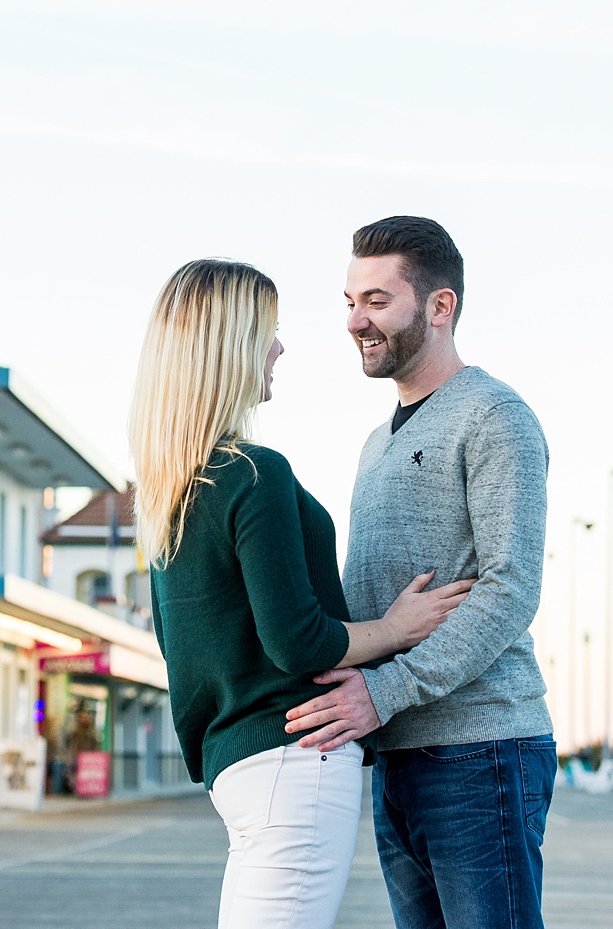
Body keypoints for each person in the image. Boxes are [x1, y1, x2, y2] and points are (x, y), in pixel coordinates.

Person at [129, 258, 474, 928]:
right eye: (268, 330)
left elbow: (183, 650)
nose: (280, 347)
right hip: (295, 760)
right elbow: (297, 638)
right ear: (228, 346)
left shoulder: (168, 494)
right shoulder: (254, 473)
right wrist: (398, 627)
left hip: (242, 770)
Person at [284, 216, 557, 929]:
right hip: (399, 751)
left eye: (376, 299)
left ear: (441, 307)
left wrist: (385, 689)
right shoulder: (377, 441)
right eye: (349, 300)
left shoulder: (495, 415)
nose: (354, 320)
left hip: (480, 750)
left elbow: (511, 589)